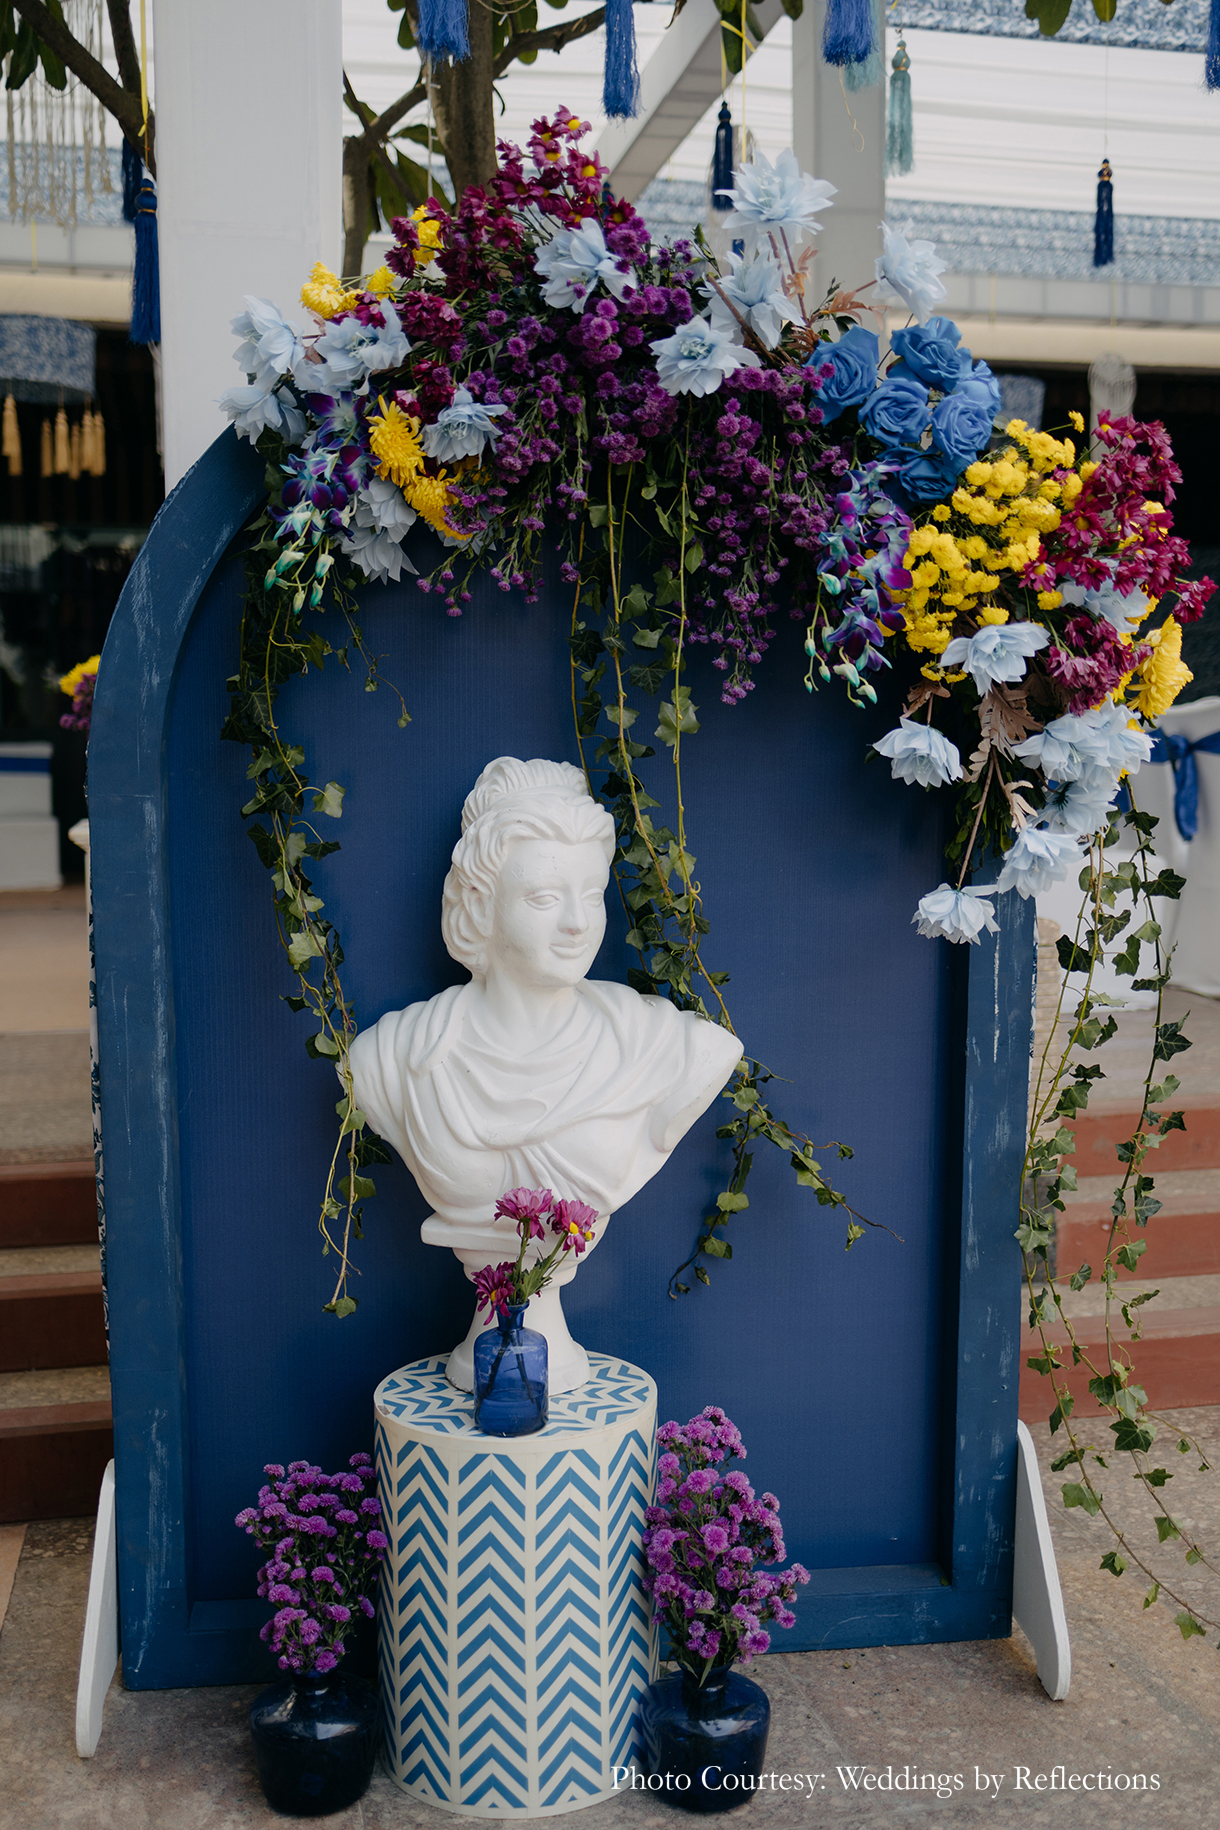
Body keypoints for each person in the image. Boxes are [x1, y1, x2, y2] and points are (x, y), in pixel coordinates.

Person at [349, 756, 744, 1387]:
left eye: (590, 895)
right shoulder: (393, 1059)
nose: (577, 924)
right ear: (479, 907)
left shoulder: (667, 1050)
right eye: (542, 897)